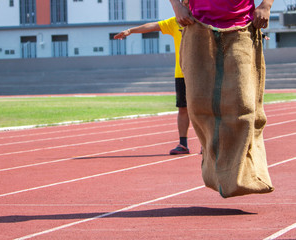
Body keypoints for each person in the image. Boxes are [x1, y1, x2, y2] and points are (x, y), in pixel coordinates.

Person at [169, 0, 275, 197]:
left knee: (243, 105)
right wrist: (177, 6)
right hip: (198, 27)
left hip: (241, 28)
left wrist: (266, 5)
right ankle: (216, 171)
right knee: (197, 105)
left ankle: (247, 174)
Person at [114, 16, 191, 155]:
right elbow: (151, 26)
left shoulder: (204, 20)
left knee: (204, 110)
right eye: (183, 2)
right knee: (183, 109)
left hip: (202, 74)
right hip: (181, 73)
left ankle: (207, 144)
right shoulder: (175, 22)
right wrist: (130, 31)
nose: (186, 4)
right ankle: (183, 144)